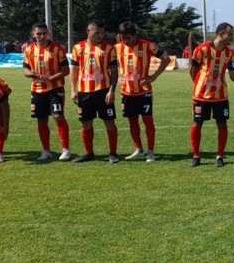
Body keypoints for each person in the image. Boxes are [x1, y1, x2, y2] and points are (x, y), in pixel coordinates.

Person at [190, 22, 234, 167]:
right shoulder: (202, 49)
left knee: (222, 124)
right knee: (197, 123)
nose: (232, 37)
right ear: (221, 34)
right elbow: (192, 70)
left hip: (221, 96)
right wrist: (200, 84)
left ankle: (220, 156)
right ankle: (196, 156)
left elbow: (232, 76)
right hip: (201, 95)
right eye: (230, 34)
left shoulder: (230, 53)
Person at [114, 22, 170, 162]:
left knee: (147, 121)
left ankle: (150, 151)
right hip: (126, 91)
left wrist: (154, 76)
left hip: (144, 91)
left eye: (128, 38)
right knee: (132, 122)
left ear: (135, 35)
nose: (125, 41)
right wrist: (118, 78)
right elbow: (111, 66)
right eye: (123, 38)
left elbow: (166, 59)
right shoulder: (117, 47)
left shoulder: (148, 45)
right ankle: (138, 149)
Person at [70, 21, 119, 163]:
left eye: (102, 32)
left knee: (109, 122)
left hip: (104, 91)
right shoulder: (77, 48)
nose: (100, 35)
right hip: (84, 92)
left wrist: (112, 91)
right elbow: (74, 71)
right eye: (97, 32)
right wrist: (73, 90)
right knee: (86, 124)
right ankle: (89, 153)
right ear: (88, 31)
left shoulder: (109, 48)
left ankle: (113, 153)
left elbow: (114, 72)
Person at [23, 23, 72, 161]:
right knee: (41, 119)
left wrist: (50, 78)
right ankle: (46, 150)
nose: (42, 36)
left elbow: (66, 70)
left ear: (48, 33)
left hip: (55, 89)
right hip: (37, 90)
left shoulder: (57, 48)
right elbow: (25, 69)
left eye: (44, 33)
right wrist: (32, 74)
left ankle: (66, 149)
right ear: (33, 34)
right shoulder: (29, 50)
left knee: (57, 116)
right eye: (38, 34)